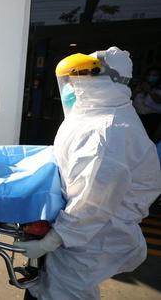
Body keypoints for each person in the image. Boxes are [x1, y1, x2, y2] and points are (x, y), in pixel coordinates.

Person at [14, 47, 161, 299]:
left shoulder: (107, 131)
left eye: (84, 75)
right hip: (81, 231)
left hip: (91, 237)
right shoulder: (97, 115)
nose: (74, 84)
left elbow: (92, 206)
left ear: (107, 80)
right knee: (51, 289)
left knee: (65, 293)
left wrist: (48, 243)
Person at [132, 67, 161, 141]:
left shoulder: (158, 88)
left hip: (151, 118)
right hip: (136, 116)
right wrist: (137, 91)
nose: (152, 77)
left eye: (155, 75)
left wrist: (149, 90)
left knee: (145, 138)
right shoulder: (141, 85)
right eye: (150, 75)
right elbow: (131, 98)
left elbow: (158, 100)